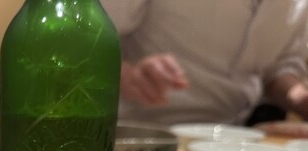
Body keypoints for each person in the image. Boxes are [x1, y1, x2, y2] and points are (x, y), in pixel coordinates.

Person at [100, 0, 308, 126]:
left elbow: (279, 66)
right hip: (136, 136)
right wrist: (129, 76)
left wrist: (299, 99)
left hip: (232, 139)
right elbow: (87, 40)